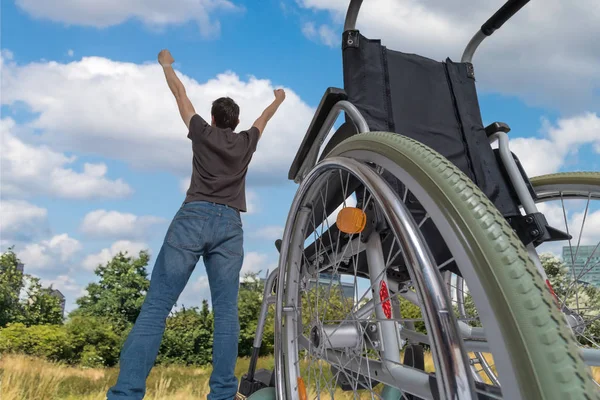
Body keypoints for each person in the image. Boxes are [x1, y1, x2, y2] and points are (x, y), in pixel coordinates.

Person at [106, 49, 286, 400]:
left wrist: (166, 65)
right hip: (230, 224)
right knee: (226, 313)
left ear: (215, 120)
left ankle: (126, 394)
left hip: (193, 216)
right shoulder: (247, 142)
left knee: (157, 306)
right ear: (235, 122)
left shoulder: (201, 131)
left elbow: (180, 94)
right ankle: (222, 393)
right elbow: (264, 118)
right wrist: (277, 99)